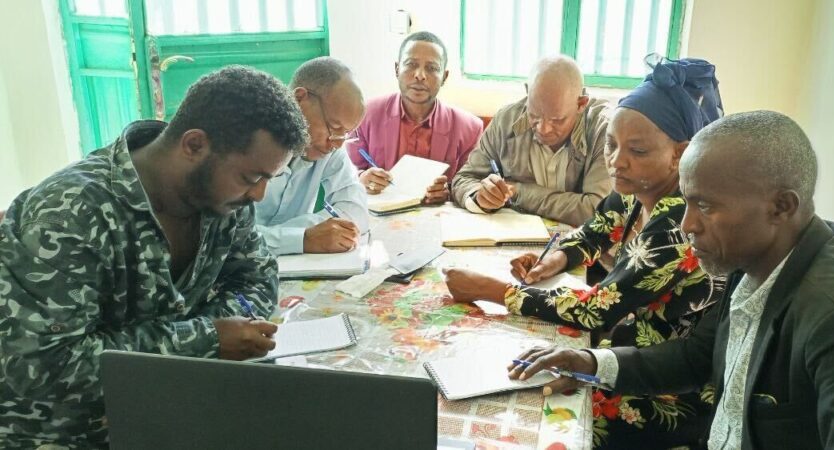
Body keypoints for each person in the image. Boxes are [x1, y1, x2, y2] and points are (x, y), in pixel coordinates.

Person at [510, 111, 834, 449]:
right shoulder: (755, 261)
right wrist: (590, 363)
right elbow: (699, 357)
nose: (688, 224)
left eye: (705, 207)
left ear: (781, 206)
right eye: (687, 203)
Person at [0, 66, 308, 446]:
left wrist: (224, 331)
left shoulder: (223, 200)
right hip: (68, 434)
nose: (258, 195)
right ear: (194, 145)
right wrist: (206, 340)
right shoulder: (68, 213)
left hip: (177, 406)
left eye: (268, 180)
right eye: (250, 178)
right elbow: (45, 367)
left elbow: (257, 278)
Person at [446, 58, 726, 449]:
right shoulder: (635, 189)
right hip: (625, 350)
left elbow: (599, 308)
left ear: (679, 154)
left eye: (637, 150)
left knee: (538, 407)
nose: (616, 161)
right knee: (527, 373)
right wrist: (556, 259)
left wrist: (495, 292)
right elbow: (595, 230)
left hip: (669, 386)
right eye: (611, 145)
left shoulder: (678, 224)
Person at [450, 55, 611, 226]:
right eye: (534, 116)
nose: (543, 129)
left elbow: (599, 210)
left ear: (581, 104)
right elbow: (464, 178)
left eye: (557, 120)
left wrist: (518, 192)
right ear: (527, 91)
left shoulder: (604, 131)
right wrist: (480, 196)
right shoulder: (507, 120)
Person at [348, 31, 484, 204]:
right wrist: (361, 178)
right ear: (397, 69)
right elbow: (345, 173)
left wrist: (448, 191)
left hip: (438, 219)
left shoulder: (469, 128)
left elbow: (469, 183)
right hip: (379, 217)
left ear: (445, 77)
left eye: (432, 68)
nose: (420, 75)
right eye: (411, 64)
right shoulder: (365, 115)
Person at [255, 57, 369, 255]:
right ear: (299, 99)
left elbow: (356, 211)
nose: (337, 143)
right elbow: (228, 240)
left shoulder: (329, 145)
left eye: (346, 134)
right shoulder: (248, 145)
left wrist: (287, 237)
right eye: (334, 128)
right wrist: (302, 238)